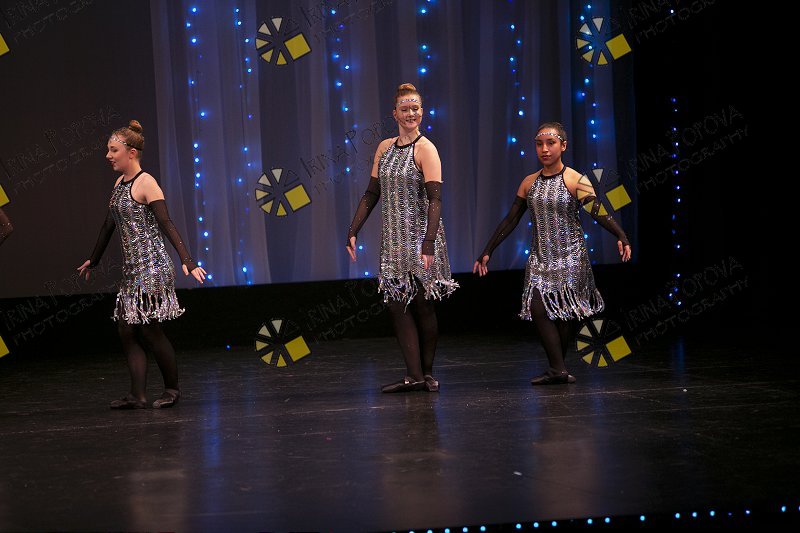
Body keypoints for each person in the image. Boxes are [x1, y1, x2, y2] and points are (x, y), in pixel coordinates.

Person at [473, 122, 631, 385]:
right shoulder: (529, 183)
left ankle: (557, 369)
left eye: (550, 143)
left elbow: (597, 211)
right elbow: (511, 220)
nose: (544, 149)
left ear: (563, 146)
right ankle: (558, 369)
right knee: (538, 307)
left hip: (570, 256)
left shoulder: (575, 179)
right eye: (539, 144)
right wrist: (487, 250)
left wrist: (621, 235)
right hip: (540, 257)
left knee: (563, 313)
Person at [77, 120, 206, 408]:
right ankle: (138, 395)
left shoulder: (146, 183)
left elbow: (166, 223)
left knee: (149, 329)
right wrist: (94, 259)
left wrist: (187, 260)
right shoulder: (119, 184)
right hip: (133, 270)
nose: (108, 155)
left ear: (131, 153)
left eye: (114, 150)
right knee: (126, 329)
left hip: (153, 268)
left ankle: (172, 389)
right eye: (108, 150)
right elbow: (109, 224)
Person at [346, 83, 458, 393]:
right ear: (394, 113)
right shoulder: (384, 148)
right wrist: (353, 230)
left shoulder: (426, 149)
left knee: (423, 305)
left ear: (422, 112)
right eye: (404, 109)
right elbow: (372, 193)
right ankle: (414, 375)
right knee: (397, 306)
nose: (410, 113)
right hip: (393, 240)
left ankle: (427, 373)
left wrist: (428, 242)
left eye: (415, 108)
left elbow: (435, 199)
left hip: (421, 238)